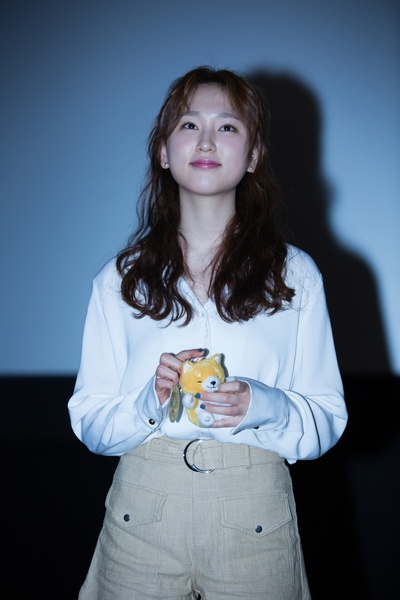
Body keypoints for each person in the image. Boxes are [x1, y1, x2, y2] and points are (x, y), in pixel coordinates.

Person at [68, 66, 348, 600]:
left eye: (228, 127)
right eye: (189, 124)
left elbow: (327, 419)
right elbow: (90, 423)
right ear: (163, 151)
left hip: (254, 510)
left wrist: (262, 405)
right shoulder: (119, 280)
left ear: (254, 154)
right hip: (143, 510)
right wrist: (150, 401)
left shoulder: (295, 275)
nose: (206, 140)